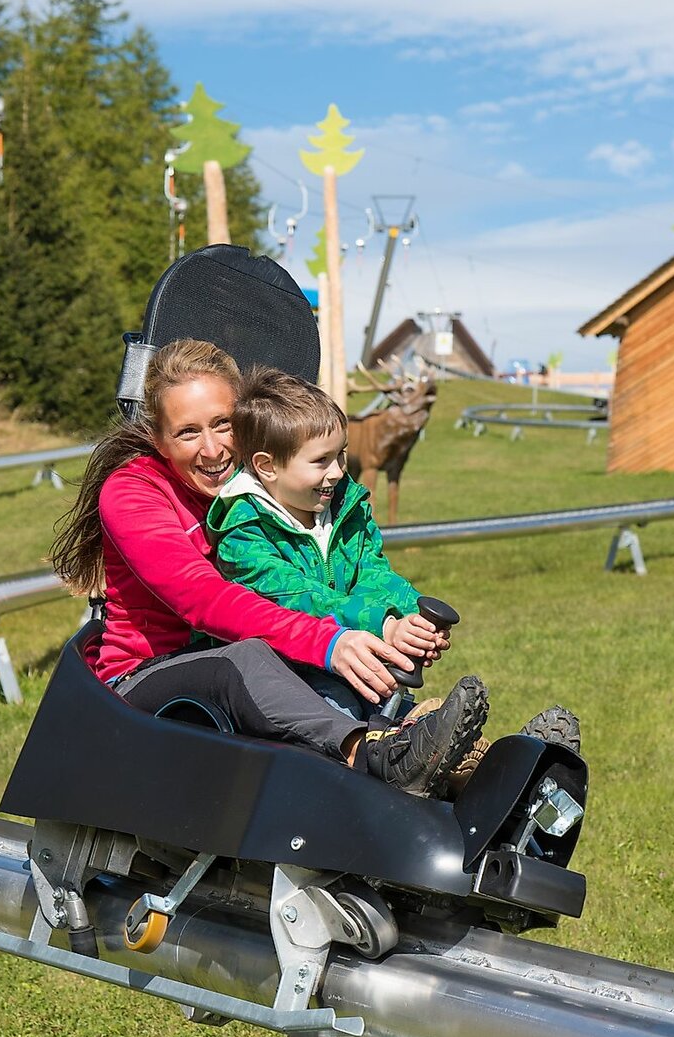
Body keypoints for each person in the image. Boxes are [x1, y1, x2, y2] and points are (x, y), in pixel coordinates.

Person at [51, 338, 488, 799]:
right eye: (187, 433)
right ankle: (371, 753)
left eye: (223, 424)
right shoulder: (133, 493)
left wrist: (394, 619)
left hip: (246, 657)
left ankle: (470, 761)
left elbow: (330, 570)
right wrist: (330, 641)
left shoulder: (261, 485)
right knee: (243, 660)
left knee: (281, 660)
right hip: (147, 676)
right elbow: (205, 600)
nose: (213, 449)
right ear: (159, 440)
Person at [205, 366, 581, 778]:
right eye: (320, 461)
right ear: (268, 466)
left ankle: (498, 773)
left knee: (385, 704)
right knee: (342, 711)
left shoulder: (342, 504)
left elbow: (373, 571)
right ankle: (433, 762)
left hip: (359, 662)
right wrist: (382, 626)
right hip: (293, 673)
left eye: (340, 455)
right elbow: (298, 597)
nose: (336, 472)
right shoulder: (243, 532)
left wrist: (411, 615)